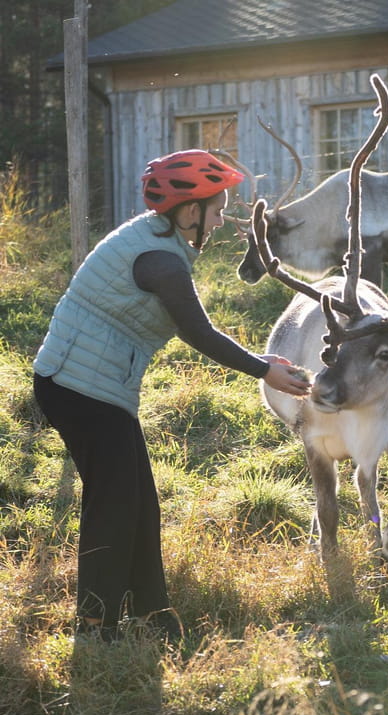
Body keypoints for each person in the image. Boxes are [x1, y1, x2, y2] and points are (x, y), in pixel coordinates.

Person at [33, 150, 310, 642]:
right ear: (190, 211)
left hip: (94, 386)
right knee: (115, 504)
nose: (220, 221)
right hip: (79, 388)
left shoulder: (156, 239)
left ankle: (151, 612)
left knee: (139, 501)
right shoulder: (162, 261)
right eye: (217, 211)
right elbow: (198, 333)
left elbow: (188, 324)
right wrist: (263, 370)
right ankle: (96, 627)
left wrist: (261, 363)